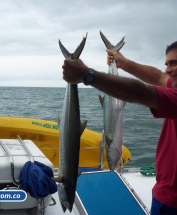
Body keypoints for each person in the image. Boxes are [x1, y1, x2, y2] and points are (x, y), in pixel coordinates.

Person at [62, 41, 177, 215]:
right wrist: (123, 62)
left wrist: (87, 75)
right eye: (167, 64)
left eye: (174, 64)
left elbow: (141, 92)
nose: (168, 70)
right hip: (164, 193)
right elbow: (159, 77)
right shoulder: (173, 84)